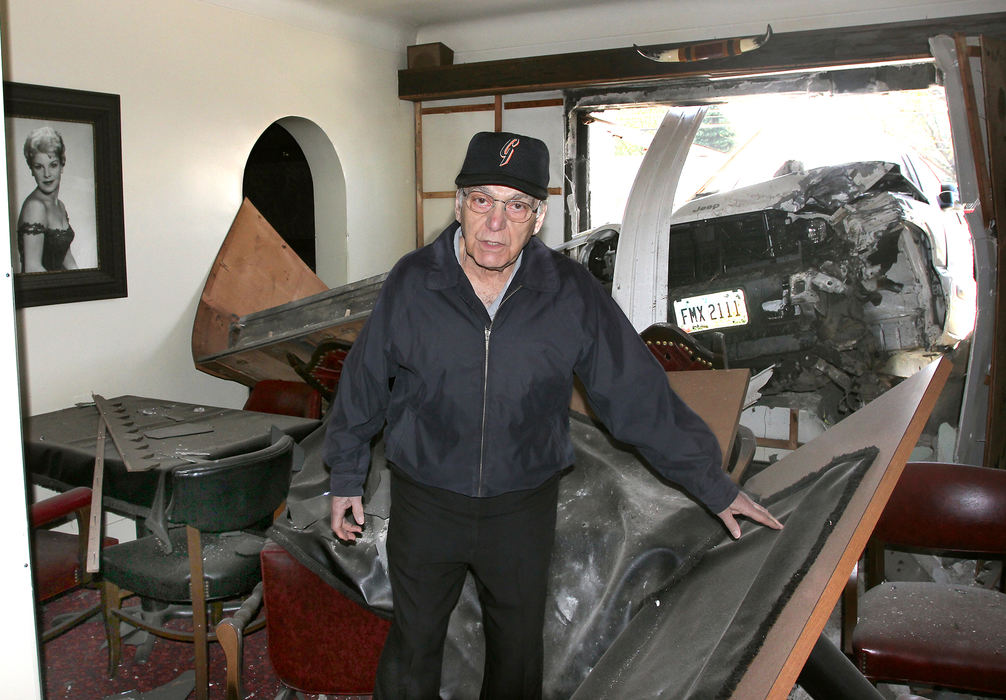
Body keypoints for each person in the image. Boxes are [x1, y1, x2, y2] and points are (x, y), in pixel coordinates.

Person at [324, 131, 782, 699]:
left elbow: (636, 395)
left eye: (515, 206)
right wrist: (345, 475)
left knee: (516, 653)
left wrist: (710, 482)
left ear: (537, 218)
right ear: (460, 204)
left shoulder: (569, 293)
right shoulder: (413, 282)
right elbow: (364, 382)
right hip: (426, 499)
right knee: (414, 645)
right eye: (482, 201)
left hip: (521, 506)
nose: (495, 223)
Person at [16, 126, 78, 273]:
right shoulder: (35, 207)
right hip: (42, 291)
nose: (47, 174)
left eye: (53, 165)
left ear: (62, 164)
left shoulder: (60, 206)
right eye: (39, 167)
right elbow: (33, 268)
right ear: (31, 169)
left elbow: (65, 256)